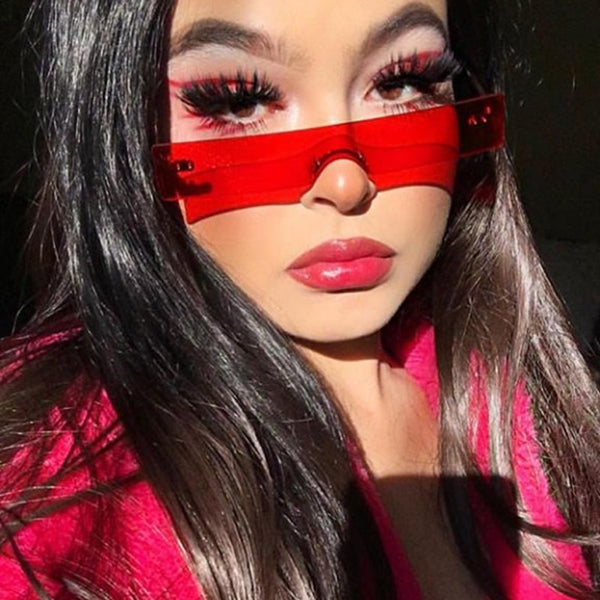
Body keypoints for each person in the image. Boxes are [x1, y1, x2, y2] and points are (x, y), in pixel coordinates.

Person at [1, 0, 599, 599]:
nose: (346, 183)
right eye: (239, 101)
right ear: (123, 132)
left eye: (403, 83)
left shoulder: (513, 386)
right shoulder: (60, 485)